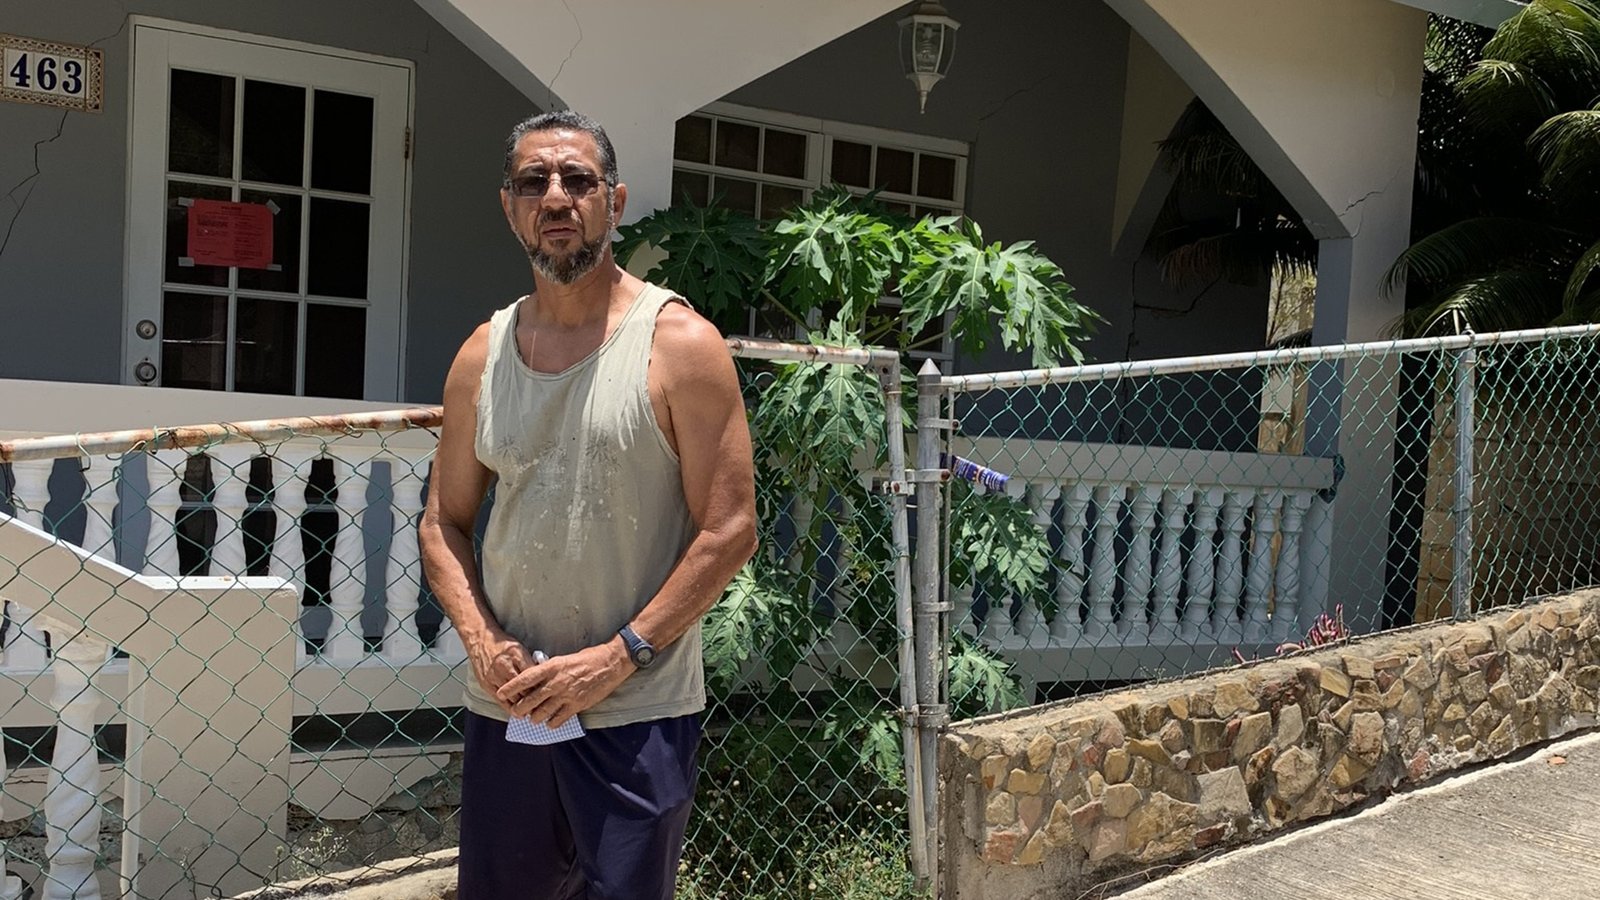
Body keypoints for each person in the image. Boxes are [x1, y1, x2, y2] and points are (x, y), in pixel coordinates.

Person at [418, 109, 758, 900]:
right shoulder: (483, 354)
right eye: (534, 182)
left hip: (634, 708)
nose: (557, 197)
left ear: (615, 198)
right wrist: (482, 640)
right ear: (510, 206)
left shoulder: (680, 346)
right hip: (512, 707)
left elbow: (730, 528)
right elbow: (444, 522)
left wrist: (617, 658)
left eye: (578, 180)